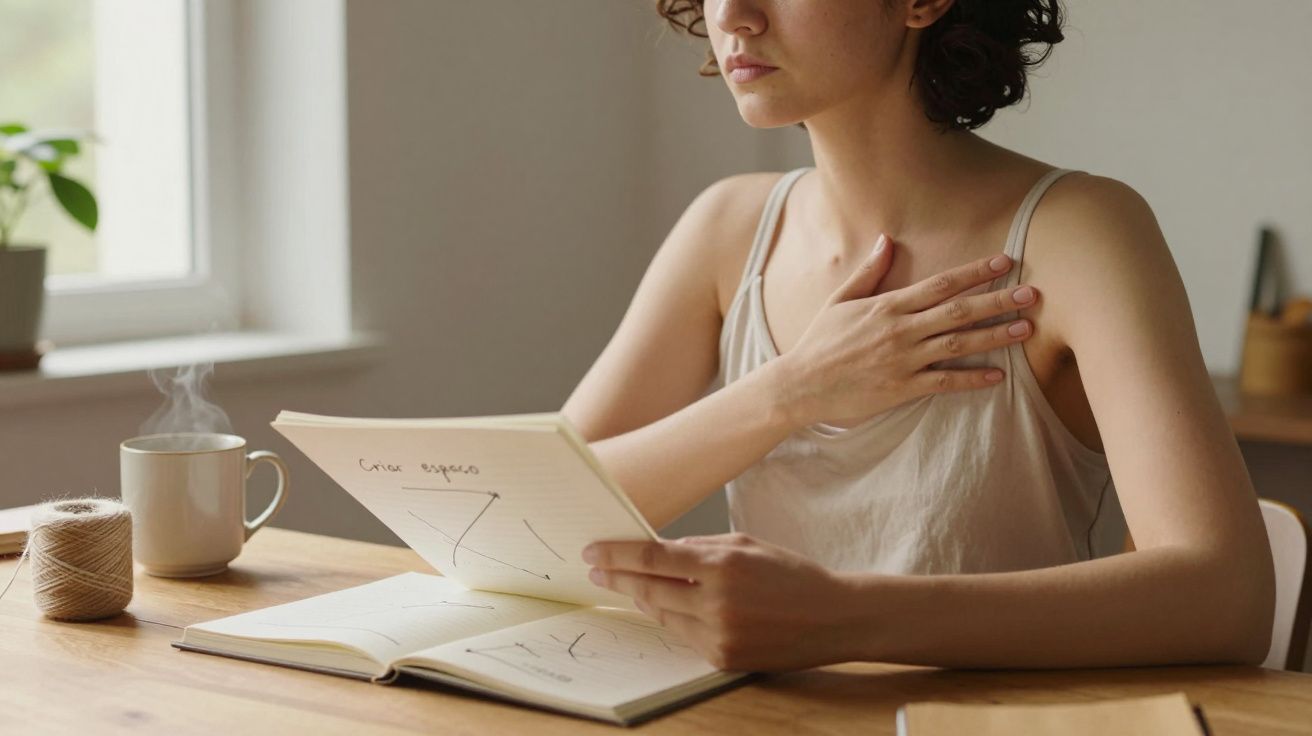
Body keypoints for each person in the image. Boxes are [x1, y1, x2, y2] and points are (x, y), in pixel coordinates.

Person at [561, 0, 1275, 672]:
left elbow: (1228, 597)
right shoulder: (728, 228)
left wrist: (842, 619)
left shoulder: (1081, 233)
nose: (732, 16)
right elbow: (523, 509)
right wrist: (788, 392)